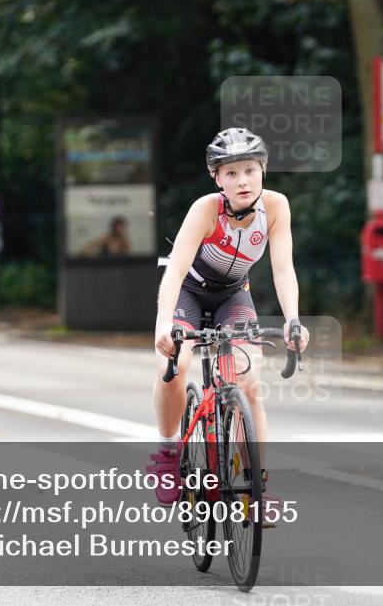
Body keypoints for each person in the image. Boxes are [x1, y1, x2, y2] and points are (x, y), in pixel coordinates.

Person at [146, 128, 310, 519]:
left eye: (250, 170)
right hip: (190, 289)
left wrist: (293, 321)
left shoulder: (276, 207)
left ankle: (256, 487)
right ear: (217, 177)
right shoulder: (205, 210)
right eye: (231, 173)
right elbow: (176, 271)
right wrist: (164, 325)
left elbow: (284, 269)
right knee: (176, 367)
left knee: (250, 384)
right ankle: (168, 453)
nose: (242, 180)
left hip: (234, 293)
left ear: (263, 171)